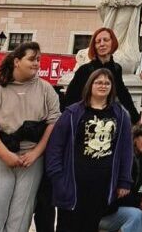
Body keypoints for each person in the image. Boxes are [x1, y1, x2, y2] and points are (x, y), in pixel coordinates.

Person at [46, 68, 134, 232]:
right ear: (90, 85)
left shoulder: (121, 115)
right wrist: (57, 178)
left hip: (102, 184)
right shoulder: (72, 112)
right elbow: (55, 147)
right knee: (67, 226)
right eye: (99, 82)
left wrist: (124, 181)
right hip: (73, 183)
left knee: (91, 226)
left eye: (107, 83)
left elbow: (126, 151)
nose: (103, 85)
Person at [0, 41, 60, 232]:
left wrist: (36, 152)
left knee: (21, 218)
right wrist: (5, 155)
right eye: (32, 59)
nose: (37, 63)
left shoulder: (46, 89)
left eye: (38, 59)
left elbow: (53, 122)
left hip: (31, 159)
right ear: (16, 61)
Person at [62, 27, 140, 122]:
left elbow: (123, 94)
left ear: (113, 42)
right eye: (98, 41)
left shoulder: (116, 68)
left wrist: (136, 119)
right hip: (86, 117)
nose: (102, 44)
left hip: (108, 116)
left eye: (106, 40)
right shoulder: (84, 69)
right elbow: (71, 98)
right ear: (94, 46)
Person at [100, 123, 142, 232]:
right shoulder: (121, 157)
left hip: (124, 207)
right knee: (136, 216)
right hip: (104, 212)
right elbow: (119, 192)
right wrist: (138, 202)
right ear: (135, 137)